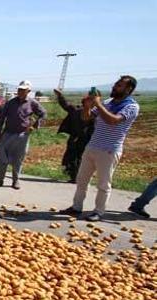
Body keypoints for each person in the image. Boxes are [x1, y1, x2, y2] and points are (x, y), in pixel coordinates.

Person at [60, 76, 140, 222]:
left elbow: (113, 121)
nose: (115, 87)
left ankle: (99, 211)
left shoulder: (131, 106)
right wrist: (88, 106)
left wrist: (98, 104)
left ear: (129, 89)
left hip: (109, 150)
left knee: (103, 184)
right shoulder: (107, 102)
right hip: (92, 146)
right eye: (116, 84)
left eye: (119, 85)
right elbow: (86, 118)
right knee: (81, 179)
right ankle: (76, 207)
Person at [0, 81, 46, 189]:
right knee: (1, 157)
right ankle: (0, 179)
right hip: (7, 133)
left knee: (18, 159)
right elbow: (1, 117)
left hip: (22, 135)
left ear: (28, 91)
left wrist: (35, 125)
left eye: (23, 90)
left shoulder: (32, 103)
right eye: (19, 89)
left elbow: (43, 114)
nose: (20, 92)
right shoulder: (10, 103)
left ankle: (15, 180)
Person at [54, 88, 92, 182]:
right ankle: (73, 176)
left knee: (81, 158)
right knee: (71, 157)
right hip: (74, 138)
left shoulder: (94, 114)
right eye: (87, 101)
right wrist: (60, 96)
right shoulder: (75, 110)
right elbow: (65, 105)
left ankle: (79, 177)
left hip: (86, 140)